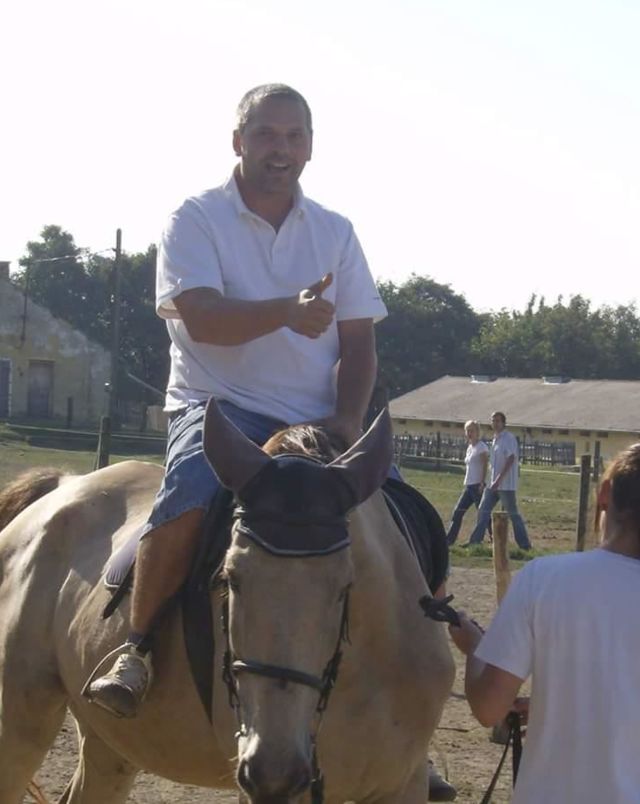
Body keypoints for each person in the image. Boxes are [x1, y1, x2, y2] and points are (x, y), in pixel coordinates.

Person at [85, 83, 387, 719]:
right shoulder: (195, 219)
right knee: (192, 494)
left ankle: (409, 670)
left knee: (398, 513)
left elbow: (359, 344)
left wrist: (347, 421)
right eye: (266, 134)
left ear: (311, 147)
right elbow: (202, 320)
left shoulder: (335, 231)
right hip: (219, 408)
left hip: (315, 419)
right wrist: (287, 312)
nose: (281, 148)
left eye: (294, 136)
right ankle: (136, 649)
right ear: (237, 141)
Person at [449, 442, 640, 802]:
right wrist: (554, 707)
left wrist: (475, 646)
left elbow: (489, 707)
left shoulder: (545, 579)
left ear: (605, 494)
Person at [465, 411, 531, 550]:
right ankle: (475, 542)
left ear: (503, 423)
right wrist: (491, 480)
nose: (495, 423)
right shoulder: (495, 440)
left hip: (506, 485)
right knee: (483, 510)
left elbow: (511, 459)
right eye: (493, 421)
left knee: (513, 514)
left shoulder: (508, 438)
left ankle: (525, 546)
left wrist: (499, 479)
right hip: (492, 484)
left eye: (497, 421)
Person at [446, 420, 489, 545]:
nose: (469, 433)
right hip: (469, 485)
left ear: (477, 432)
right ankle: (449, 540)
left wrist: (482, 483)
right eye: (467, 431)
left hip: (477, 485)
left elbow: (485, 465)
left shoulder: (481, 447)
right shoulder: (470, 447)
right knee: (458, 512)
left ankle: (492, 538)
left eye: (472, 431)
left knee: (483, 514)